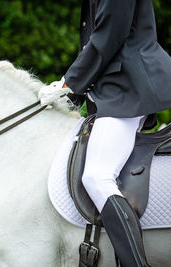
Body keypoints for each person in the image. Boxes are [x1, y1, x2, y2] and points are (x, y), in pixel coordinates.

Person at [39, 0, 171, 266]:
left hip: (128, 88)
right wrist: (76, 91)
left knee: (97, 176)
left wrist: (70, 82)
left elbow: (109, 35)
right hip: (116, 88)